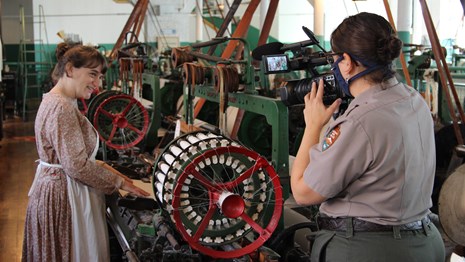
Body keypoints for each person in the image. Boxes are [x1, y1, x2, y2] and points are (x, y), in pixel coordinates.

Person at [290, 12, 445, 261]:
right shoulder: (412, 99)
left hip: (370, 249)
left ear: (347, 62)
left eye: (335, 60)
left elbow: (303, 192)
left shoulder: (360, 121)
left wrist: (313, 125)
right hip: (425, 240)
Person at [22, 43, 150, 262]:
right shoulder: (62, 107)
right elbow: (76, 166)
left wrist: (115, 174)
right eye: (92, 74)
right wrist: (117, 183)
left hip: (57, 187)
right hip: (64, 194)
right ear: (70, 69)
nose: (97, 84)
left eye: (99, 76)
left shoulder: (55, 100)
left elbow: (73, 159)